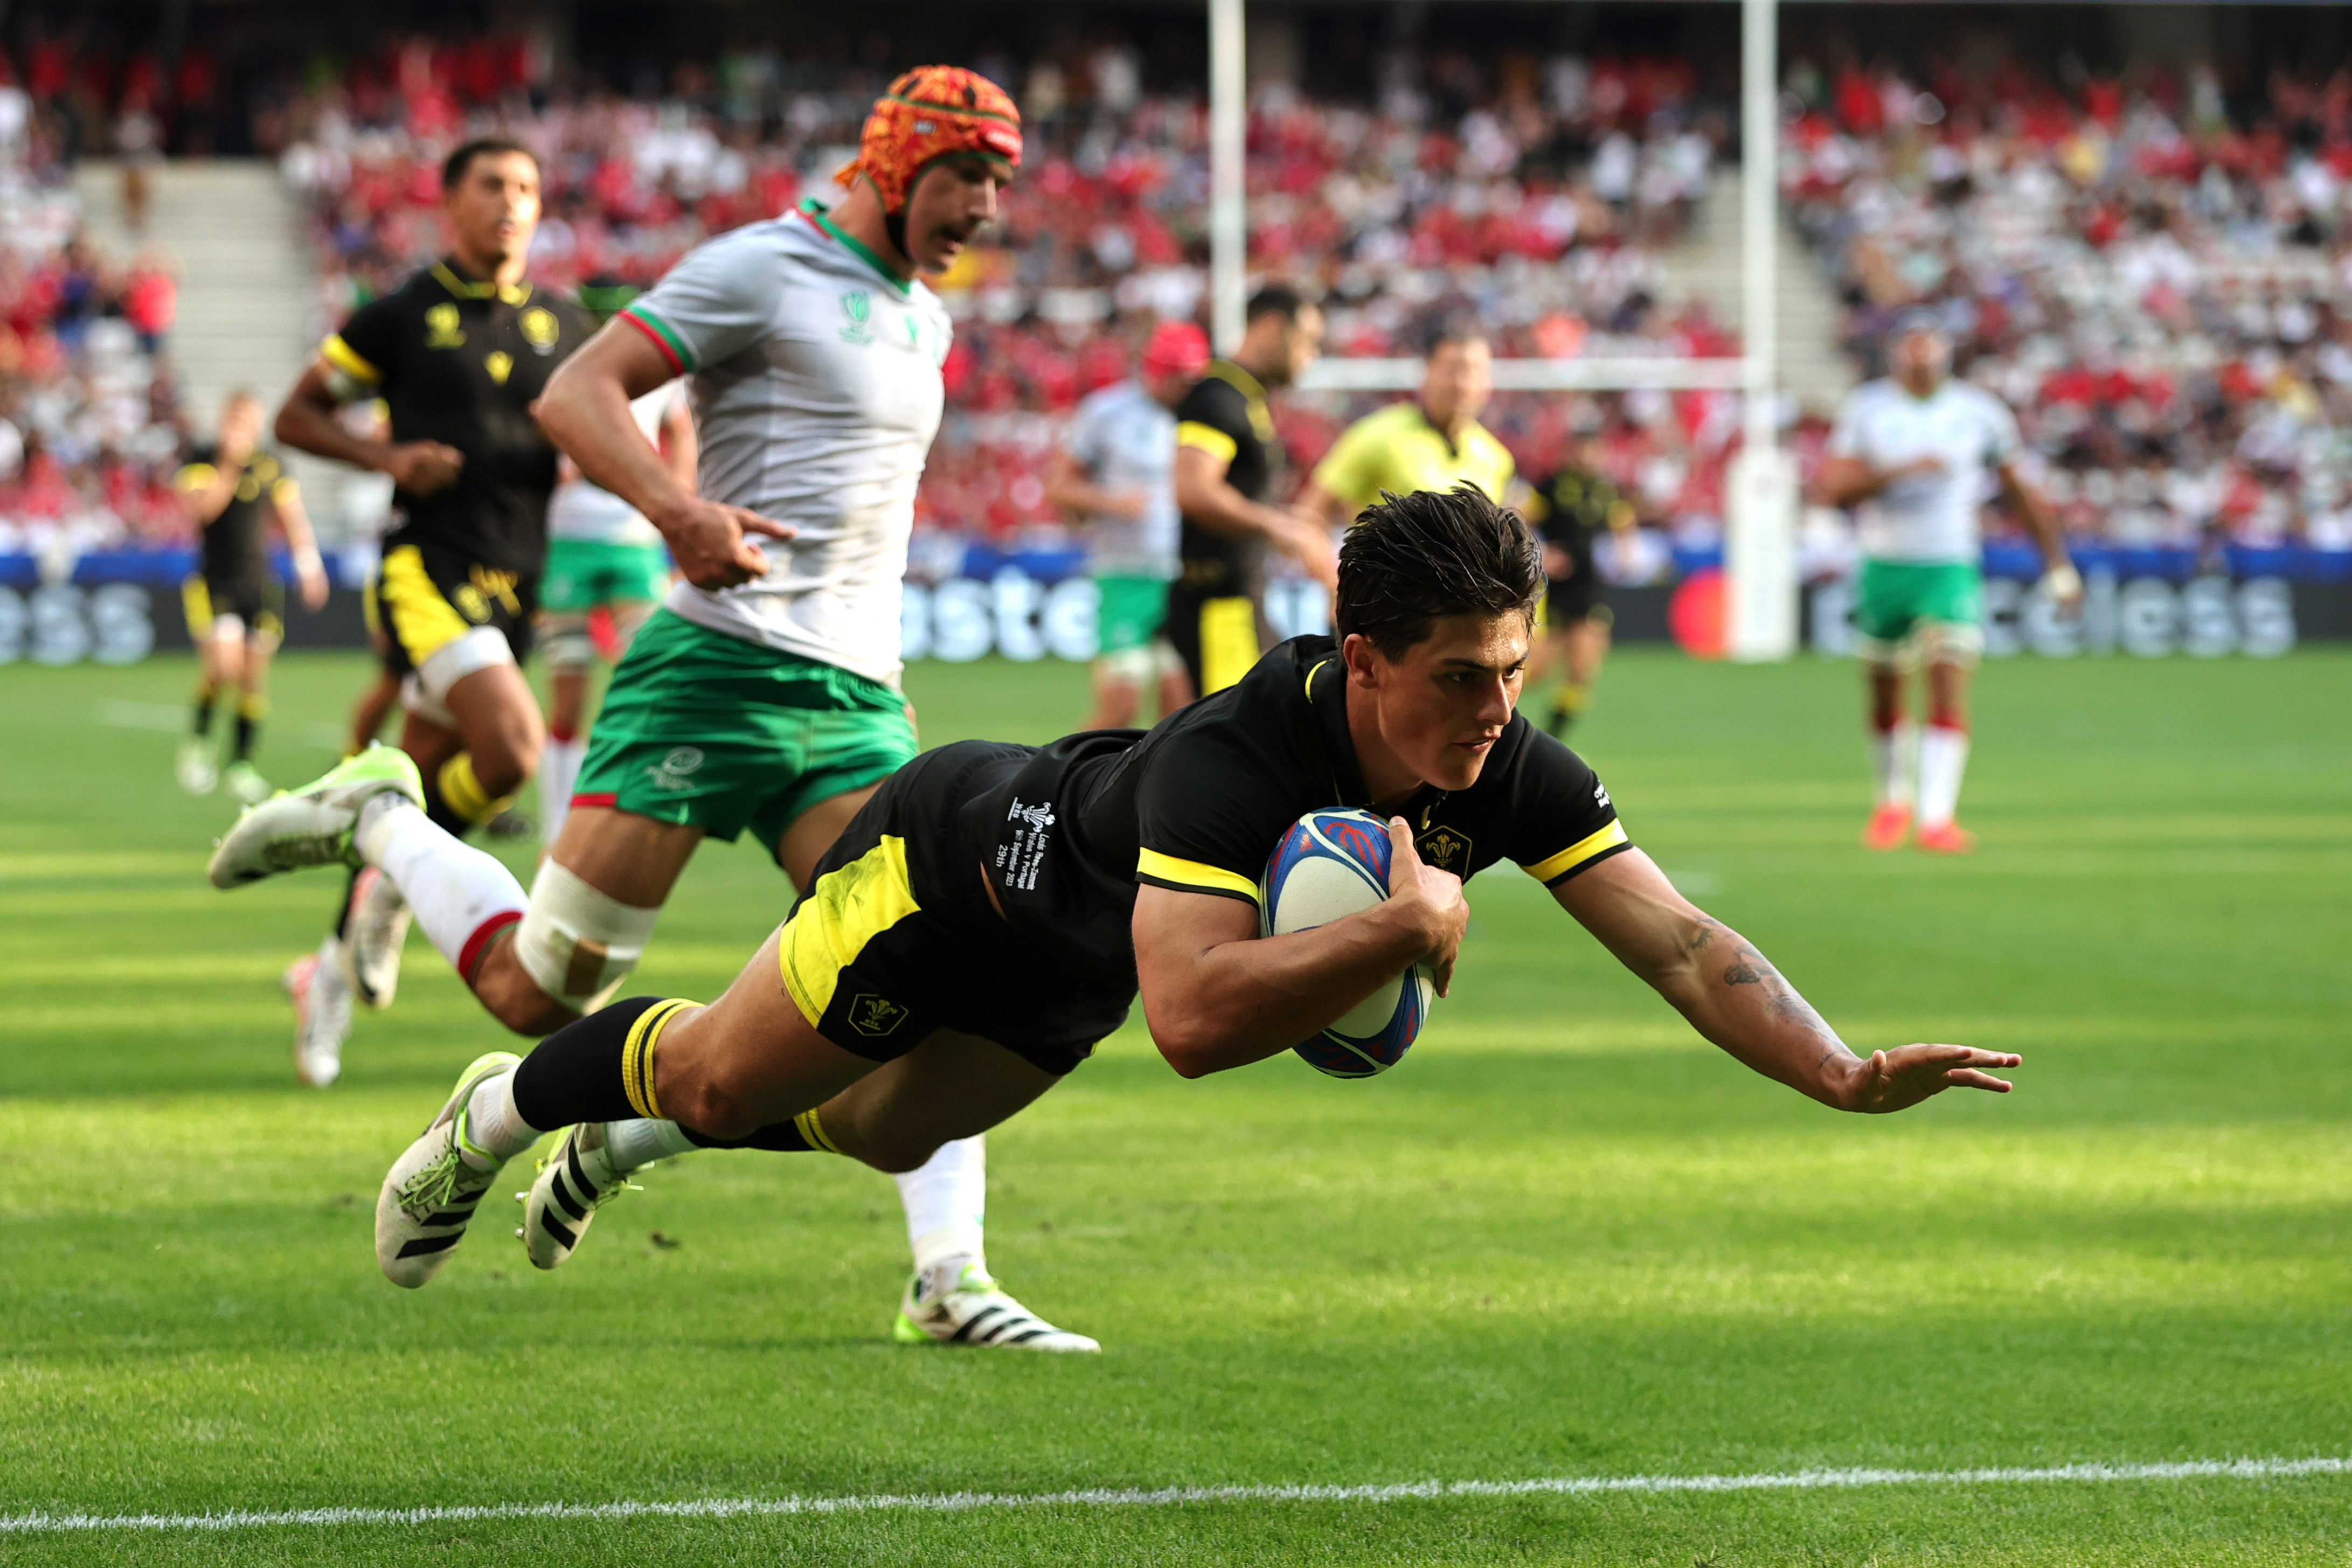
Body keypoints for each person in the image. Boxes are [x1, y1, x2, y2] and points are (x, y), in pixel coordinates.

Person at [334, 486, 2021, 1329]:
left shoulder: (1504, 761)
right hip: (959, 866)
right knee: (713, 1078)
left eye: (1512, 671)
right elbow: (1207, 1029)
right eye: (1460, 676)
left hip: (1081, 971)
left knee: (872, 1134)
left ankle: (627, 1130)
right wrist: (1397, 929)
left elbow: (1686, 943)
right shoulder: (1238, 749)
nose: (1496, 707)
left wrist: (1838, 1071)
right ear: (1362, 662)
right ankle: (493, 1114)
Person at [212, 69, 1094, 1354]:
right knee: (538, 992)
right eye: (970, 178)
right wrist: (678, 514)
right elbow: (575, 393)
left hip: (851, 701)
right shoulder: (760, 266)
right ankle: (381, 818)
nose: (986, 209)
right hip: (710, 672)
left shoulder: (924, 318)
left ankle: (944, 1275)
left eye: (1001, 184)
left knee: (934, 982)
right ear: (899, 165)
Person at [265, 135, 598, 1084]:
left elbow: (620, 418)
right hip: (427, 569)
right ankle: (390, 899)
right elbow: (297, 416)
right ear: (449, 201)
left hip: (517, 581)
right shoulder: (402, 317)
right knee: (512, 753)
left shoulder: (566, 325)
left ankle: (325, 971)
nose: (512, 201)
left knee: (417, 789)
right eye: (492, 184)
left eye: (528, 187)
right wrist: (387, 460)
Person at [1820, 311, 2077, 854]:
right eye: (1911, 345)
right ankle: (1893, 800)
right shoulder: (1868, 408)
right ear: (1896, 354)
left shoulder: (1978, 414)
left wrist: (2057, 564)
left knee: (1946, 669)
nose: (1921, 354)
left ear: (1945, 352)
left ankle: (1938, 816)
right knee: (1885, 691)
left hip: (1949, 563)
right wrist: (1899, 472)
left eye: (1929, 344)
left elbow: (2021, 493)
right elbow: (1833, 490)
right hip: (1885, 564)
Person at [533, 274, 693, 848]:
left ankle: (624, 817)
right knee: (570, 694)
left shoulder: (658, 374)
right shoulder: (562, 369)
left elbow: (682, 435)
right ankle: (559, 830)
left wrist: (678, 505)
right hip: (568, 538)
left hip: (631, 539)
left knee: (647, 675)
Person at [1167, 285, 1333, 699]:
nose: (1311, 356)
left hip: (1240, 600)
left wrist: (1292, 521)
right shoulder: (1218, 397)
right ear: (1272, 328)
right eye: (1308, 341)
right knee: (1232, 749)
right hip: (1219, 605)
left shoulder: (1245, 398)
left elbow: (1236, 495)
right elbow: (1192, 489)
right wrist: (1277, 525)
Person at [1045, 318, 1208, 730]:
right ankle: (1058, 785)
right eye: (1179, 381)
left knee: (1182, 710)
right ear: (1156, 372)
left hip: (1183, 577)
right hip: (1124, 575)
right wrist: (1111, 502)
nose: (1185, 391)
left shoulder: (1203, 417)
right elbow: (1060, 486)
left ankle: (1163, 793)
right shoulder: (1107, 411)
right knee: (1119, 709)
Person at [174, 389, 329, 803]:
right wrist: (228, 464)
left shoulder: (271, 464)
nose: (242, 428)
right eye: (236, 419)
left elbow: (292, 517)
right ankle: (199, 745)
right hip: (214, 582)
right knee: (222, 668)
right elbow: (201, 512)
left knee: (252, 680)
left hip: (259, 584)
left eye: (249, 420)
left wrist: (309, 566)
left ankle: (242, 764)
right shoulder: (202, 458)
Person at [1294, 325, 1515, 528]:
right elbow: (1310, 512)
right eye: (1452, 369)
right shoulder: (1377, 435)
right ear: (1427, 372)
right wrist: (1328, 565)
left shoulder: (1496, 459)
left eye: (1475, 372)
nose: (1462, 384)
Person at [1521, 436, 1638, 737]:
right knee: (1534, 672)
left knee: (1582, 671)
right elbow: (1518, 521)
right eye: (1584, 450)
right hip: (1552, 589)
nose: (1590, 457)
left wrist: (1625, 551)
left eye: (1595, 450)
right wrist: (1541, 553)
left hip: (1589, 587)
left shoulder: (1605, 489)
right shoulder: (1551, 487)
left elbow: (1623, 523)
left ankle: (1552, 743)